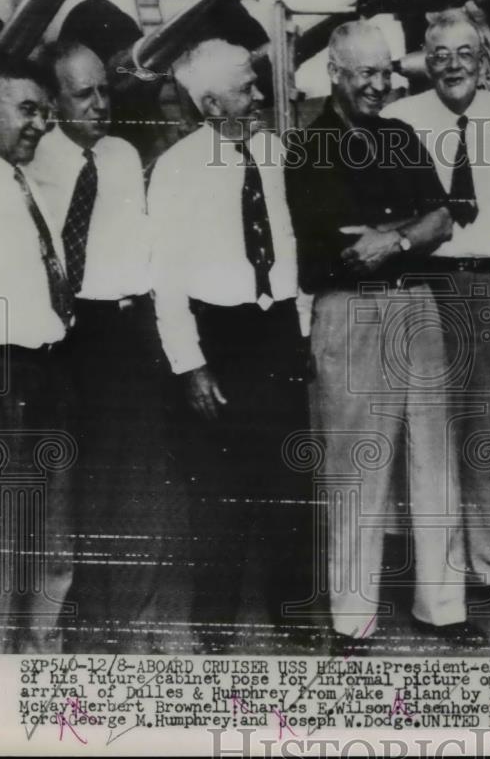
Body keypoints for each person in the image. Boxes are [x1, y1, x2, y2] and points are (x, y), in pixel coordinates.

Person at [285, 20, 485, 653]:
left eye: (384, 71)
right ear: (335, 74)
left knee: (435, 461)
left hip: (417, 308)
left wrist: (393, 235)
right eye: (364, 72)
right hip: (349, 313)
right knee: (354, 469)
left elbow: (444, 220)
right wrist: (409, 228)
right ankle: (353, 619)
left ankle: (442, 606)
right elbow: (338, 250)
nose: (377, 84)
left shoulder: (400, 137)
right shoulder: (306, 147)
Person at [149, 39, 311, 652]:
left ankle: (293, 616)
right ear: (212, 102)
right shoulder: (177, 169)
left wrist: (301, 325)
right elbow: (165, 276)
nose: (260, 96)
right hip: (217, 339)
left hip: (274, 333)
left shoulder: (274, 152)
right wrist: (191, 367)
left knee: (289, 485)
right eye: (247, 87)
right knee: (217, 493)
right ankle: (214, 623)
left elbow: (289, 240)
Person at [26, 41, 181, 652]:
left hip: (126, 332)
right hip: (65, 332)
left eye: (104, 91)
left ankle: (130, 622)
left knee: (137, 485)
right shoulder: (33, 155)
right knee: (70, 485)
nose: (99, 104)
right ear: (55, 99)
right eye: (83, 94)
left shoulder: (122, 155)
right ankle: (71, 621)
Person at [382, 9, 490, 606]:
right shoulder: (400, 119)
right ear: (424, 58)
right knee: (428, 437)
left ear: (482, 60)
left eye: (464, 53)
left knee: (481, 437)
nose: (452, 66)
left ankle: (486, 574)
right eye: (439, 54)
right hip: (427, 287)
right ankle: (436, 580)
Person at [0, 52, 74, 653]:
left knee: (50, 547)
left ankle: (39, 679)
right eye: (28, 109)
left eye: (46, 112)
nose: (40, 123)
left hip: (43, 376)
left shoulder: (23, 184)